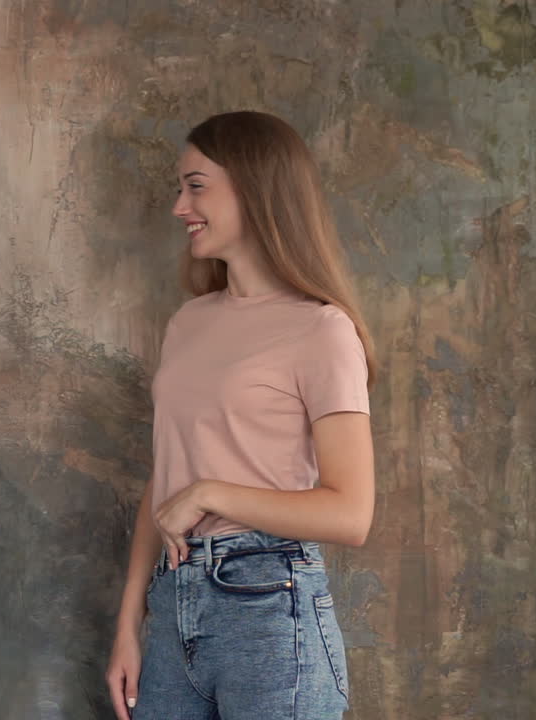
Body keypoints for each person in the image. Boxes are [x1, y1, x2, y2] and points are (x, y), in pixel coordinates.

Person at [105, 111, 377, 720]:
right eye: (182, 187)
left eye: (196, 185)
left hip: (270, 608)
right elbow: (169, 480)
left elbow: (350, 512)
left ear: (256, 189)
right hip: (174, 607)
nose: (180, 206)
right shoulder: (188, 323)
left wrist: (209, 493)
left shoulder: (322, 329)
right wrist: (130, 623)